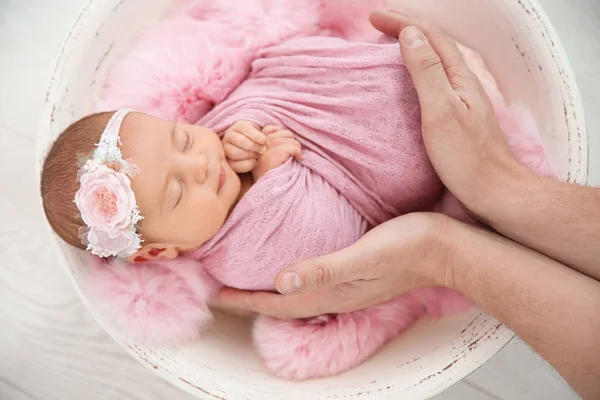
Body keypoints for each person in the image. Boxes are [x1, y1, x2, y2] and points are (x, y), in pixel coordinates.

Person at [217, 10, 600, 399]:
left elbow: (239, 117)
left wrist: (244, 138)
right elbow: (313, 233)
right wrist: (272, 178)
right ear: (165, 250)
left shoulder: (214, 153)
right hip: (377, 192)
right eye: (176, 191)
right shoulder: (230, 251)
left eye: (182, 139)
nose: (200, 165)